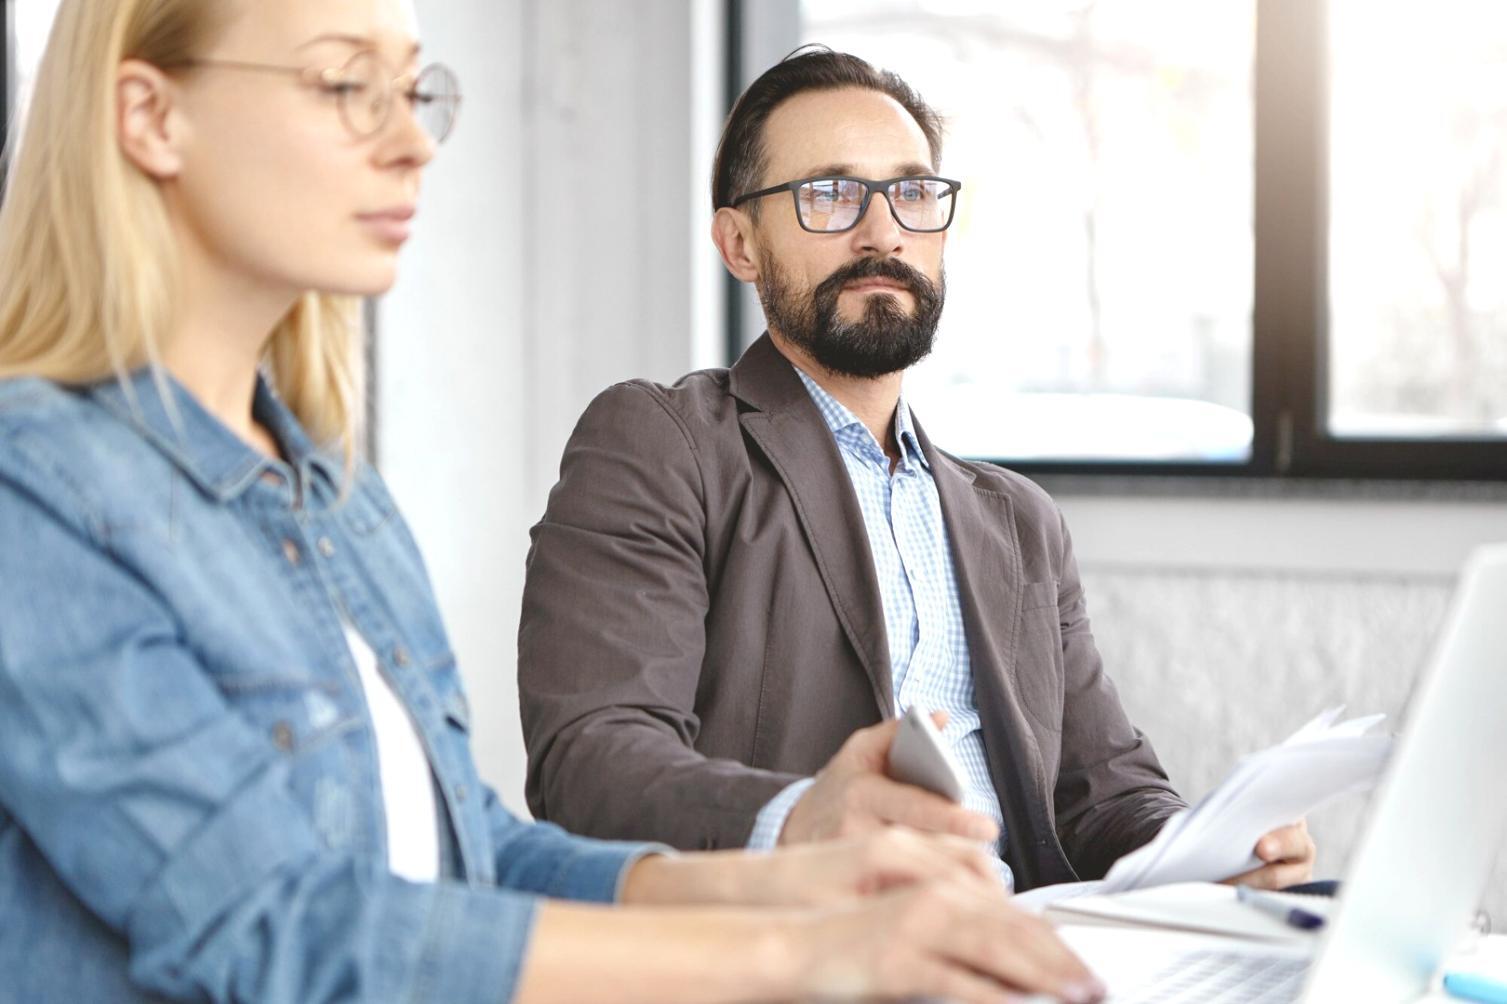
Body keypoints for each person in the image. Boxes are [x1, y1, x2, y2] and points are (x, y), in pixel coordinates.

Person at [0, 4, 1107, 1003]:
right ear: (150, 118)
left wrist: (806, 860)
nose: (412, 140)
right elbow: (274, 922)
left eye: (416, 91)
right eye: (346, 86)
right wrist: (806, 949)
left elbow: (467, 850)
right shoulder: (35, 492)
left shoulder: (335, 497)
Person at [518, 47, 1316, 893]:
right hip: (802, 950)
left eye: (910, 192)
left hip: (1023, 945)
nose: (883, 231)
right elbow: (590, 762)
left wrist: (1211, 853)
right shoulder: (662, 443)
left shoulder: (1018, 520)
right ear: (739, 244)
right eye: (827, 194)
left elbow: (1103, 795)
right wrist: (797, 821)